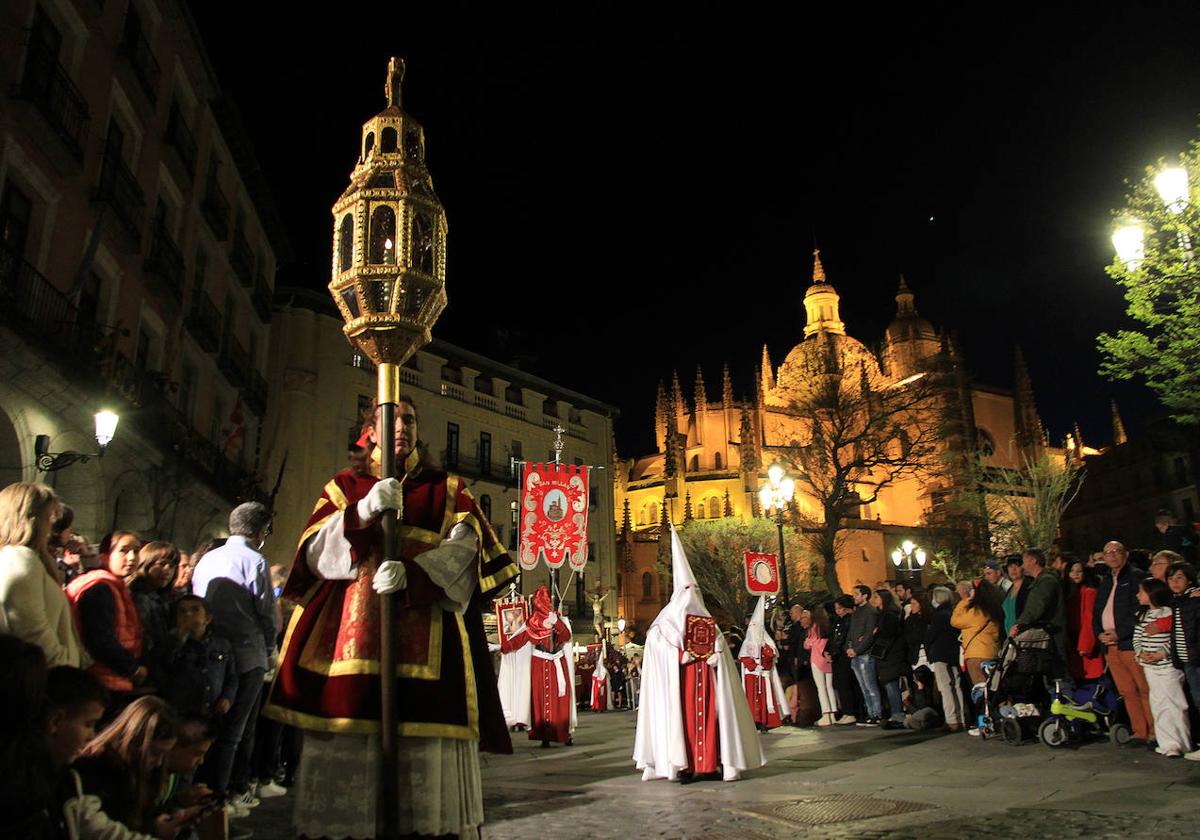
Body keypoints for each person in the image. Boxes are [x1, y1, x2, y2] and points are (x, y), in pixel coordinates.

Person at [263, 396, 517, 838]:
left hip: (431, 638)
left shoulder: (449, 489)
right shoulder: (344, 486)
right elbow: (314, 555)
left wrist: (418, 574)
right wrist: (360, 513)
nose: (401, 427)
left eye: (410, 420)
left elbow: (466, 550)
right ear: (371, 431)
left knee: (424, 776)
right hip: (353, 648)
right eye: (389, 419)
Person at [633, 525, 763, 783]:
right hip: (681, 681)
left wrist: (718, 655)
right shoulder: (664, 622)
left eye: (695, 590)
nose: (692, 596)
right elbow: (656, 646)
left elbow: (721, 646)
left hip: (708, 681)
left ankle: (711, 764)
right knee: (684, 723)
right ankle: (684, 766)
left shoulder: (707, 620)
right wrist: (679, 657)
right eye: (686, 590)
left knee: (714, 720)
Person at [191, 502, 277, 808]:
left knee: (210, 725)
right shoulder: (255, 560)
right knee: (235, 732)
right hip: (247, 652)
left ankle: (203, 792)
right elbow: (266, 612)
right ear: (259, 532)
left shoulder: (208, 559)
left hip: (210, 650)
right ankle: (222, 798)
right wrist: (269, 648)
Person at [74, 695, 196, 837]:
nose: (159, 762)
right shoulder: (97, 767)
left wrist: (164, 820)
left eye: (164, 755)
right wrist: (154, 830)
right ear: (134, 740)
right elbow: (100, 830)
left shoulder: (145, 772)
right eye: (155, 753)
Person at [0, 482, 85, 667]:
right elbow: (30, 629)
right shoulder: (20, 558)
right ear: (32, 519)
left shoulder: (28, 558)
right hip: (44, 675)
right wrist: (63, 663)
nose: (52, 525)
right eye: (49, 516)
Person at [65, 530, 146, 702]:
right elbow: (99, 638)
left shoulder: (114, 586)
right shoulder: (100, 588)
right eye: (124, 550)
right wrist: (132, 669)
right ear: (104, 556)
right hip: (101, 680)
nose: (132, 557)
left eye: (136, 550)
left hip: (111, 677)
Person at [1094, 540, 1154, 747]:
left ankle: (1154, 731)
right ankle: (1139, 731)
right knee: (1127, 691)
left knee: (1144, 688)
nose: (1111, 556)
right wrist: (1100, 634)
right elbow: (1097, 611)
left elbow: (1138, 610)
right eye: (1107, 553)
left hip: (1129, 643)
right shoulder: (1106, 581)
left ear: (1125, 554)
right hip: (1110, 646)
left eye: (1116, 552)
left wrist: (1119, 633)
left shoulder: (1137, 577)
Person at [498, 585, 576, 744]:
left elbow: (566, 637)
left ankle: (563, 734)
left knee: (560, 699)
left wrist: (558, 624)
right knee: (539, 699)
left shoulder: (558, 619)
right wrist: (501, 648)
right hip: (539, 663)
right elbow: (518, 640)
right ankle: (544, 736)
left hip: (556, 663)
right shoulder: (533, 622)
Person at [1134, 578, 1191, 757]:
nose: (1138, 595)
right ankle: (1167, 743)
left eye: (1141, 591)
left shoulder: (1169, 614)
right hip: (1150, 667)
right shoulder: (1142, 615)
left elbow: (1173, 639)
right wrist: (1140, 652)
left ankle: (1182, 742)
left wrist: (1162, 653)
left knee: (1174, 703)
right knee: (1158, 703)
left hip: (1167, 667)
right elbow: (1137, 636)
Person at [164, 594, 238, 720]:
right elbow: (163, 667)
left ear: (207, 618)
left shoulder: (222, 645)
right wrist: (179, 639)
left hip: (211, 711)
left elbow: (232, 677)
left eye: (195, 610)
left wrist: (227, 698)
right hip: (179, 713)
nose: (187, 614)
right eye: (182, 611)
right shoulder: (169, 643)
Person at [1010, 548, 1069, 688]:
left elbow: (1036, 606)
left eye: (1024, 562)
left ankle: (1066, 702)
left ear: (1033, 561)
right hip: (1049, 638)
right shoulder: (1041, 581)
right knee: (1050, 677)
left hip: (1053, 637)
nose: (1023, 566)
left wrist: (1019, 624)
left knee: (1059, 677)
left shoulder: (1046, 582)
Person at [129, 541, 180, 689]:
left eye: (172, 566)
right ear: (146, 563)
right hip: (144, 672)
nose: (167, 571)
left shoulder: (162, 599)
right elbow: (147, 641)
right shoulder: (141, 598)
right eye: (162, 564)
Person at [738, 595, 790, 733]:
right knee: (752, 699)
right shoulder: (747, 643)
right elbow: (743, 657)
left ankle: (766, 722)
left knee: (764, 699)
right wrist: (754, 666)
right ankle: (754, 722)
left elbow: (772, 655)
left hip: (763, 675)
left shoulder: (767, 642)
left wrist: (764, 653)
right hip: (752, 675)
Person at [926, 586, 964, 732]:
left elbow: (931, 635)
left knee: (945, 687)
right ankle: (961, 718)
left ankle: (951, 720)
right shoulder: (953, 612)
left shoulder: (938, 614)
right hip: (954, 653)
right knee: (956, 685)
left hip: (940, 653)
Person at [951, 579, 1001, 689]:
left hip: (976, 655)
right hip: (992, 652)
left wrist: (966, 601)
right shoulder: (995, 610)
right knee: (994, 689)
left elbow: (955, 621)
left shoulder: (975, 611)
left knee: (980, 689)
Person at [845, 584, 882, 725]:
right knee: (863, 687)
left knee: (870, 685)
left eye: (856, 594)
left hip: (865, 654)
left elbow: (869, 635)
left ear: (865, 596)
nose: (854, 596)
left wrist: (858, 649)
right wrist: (848, 647)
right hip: (854, 654)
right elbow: (851, 632)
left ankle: (876, 714)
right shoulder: (856, 612)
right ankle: (870, 713)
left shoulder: (870, 612)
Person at [870, 589, 908, 726]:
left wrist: (877, 632)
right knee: (888, 685)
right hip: (885, 655)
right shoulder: (881, 615)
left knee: (892, 685)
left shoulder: (889, 615)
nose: (874, 600)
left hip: (890, 655)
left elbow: (891, 633)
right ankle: (894, 712)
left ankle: (897, 713)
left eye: (877, 597)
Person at [1064, 558, 1103, 682]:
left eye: (1079, 571)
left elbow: (1089, 619)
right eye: (1072, 571)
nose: (1075, 574)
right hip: (1071, 640)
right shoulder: (1067, 593)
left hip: (1082, 642)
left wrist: (1085, 645)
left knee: (1087, 678)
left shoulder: (1089, 592)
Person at [803, 603, 838, 726]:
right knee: (829, 687)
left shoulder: (813, 628)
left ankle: (825, 714)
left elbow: (808, 644)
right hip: (827, 658)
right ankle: (833, 714)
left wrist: (807, 642)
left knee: (821, 687)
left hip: (817, 658)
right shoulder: (827, 625)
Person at [829, 595, 860, 724]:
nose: (838, 611)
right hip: (837, 655)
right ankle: (847, 711)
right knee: (842, 685)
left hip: (844, 656)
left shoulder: (849, 620)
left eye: (840, 608)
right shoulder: (838, 621)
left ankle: (850, 712)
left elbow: (843, 638)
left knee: (846, 684)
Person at [1000, 555, 1027, 636]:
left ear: (1023, 568)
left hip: (1023, 636)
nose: (1013, 569)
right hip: (1010, 638)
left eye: (1017, 566)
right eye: (1010, 566)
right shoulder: (1008, 590)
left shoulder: (1028, 588)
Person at [592, 639, 614, 712]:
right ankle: (596, 707)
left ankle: (601, 707)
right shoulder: (597, 670)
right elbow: (594, 677)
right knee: (596, 696)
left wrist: (600, 682)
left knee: (601, 697)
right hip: (597, 686)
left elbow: (605, 677)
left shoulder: (604, 670)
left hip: (602, 686)